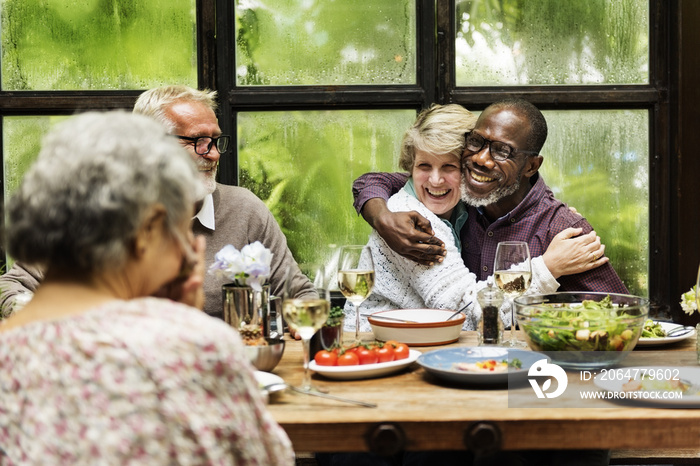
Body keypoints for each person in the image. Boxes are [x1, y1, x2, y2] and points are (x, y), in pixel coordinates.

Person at [0, 111, 294, 464]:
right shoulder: (191, 347)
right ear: (148, 230)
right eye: (182, 226)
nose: (190, 247)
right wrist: (183, 326)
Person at [0, 85, 315, 320]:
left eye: (216, 140)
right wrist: (63, 327)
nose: (215, 153)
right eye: (197, 141)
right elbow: (10, 287)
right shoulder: (100, 213)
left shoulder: (245, 209)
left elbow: (300, 295)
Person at [347, 104, 607, 333]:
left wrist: (552, 212)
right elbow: (469, 314)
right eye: (423, 166)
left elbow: (617, 311)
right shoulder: (414, 221)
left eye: (449, 167)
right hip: (374, 346)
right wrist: (547, 268)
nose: (435, 180)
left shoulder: (468, 202)